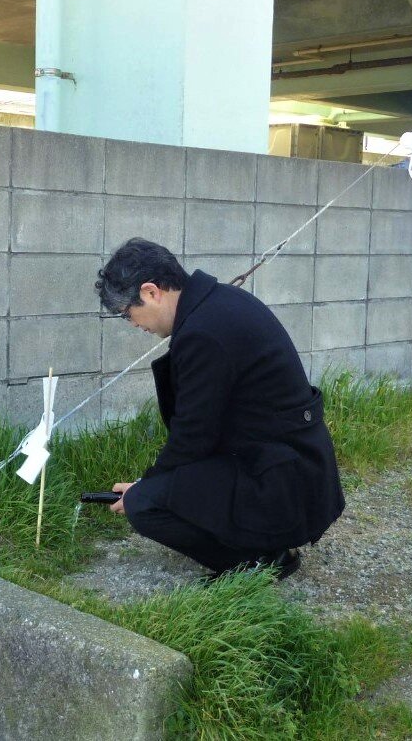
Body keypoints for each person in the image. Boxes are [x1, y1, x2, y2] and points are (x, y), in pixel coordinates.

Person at [94, 238, 345, 580]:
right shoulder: (218, 305)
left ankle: (259, 561)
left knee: (145, 507)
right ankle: (267, 545)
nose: (135, 325)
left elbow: (193, 437)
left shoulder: (203, 332)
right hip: (292, 468)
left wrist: (145, 488)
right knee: (156, 491)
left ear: (151, 291)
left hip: (283, 482)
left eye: (129, 314)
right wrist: (148, 481)